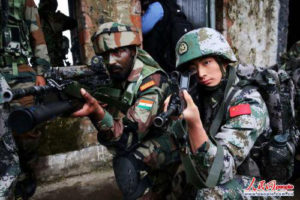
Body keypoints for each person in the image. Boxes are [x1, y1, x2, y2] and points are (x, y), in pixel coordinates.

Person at [72, 22, 179, 199]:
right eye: (105, 55)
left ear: (132, 50)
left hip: (176, 141)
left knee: (126, 162)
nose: (110, 61)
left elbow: (127, 138)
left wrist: (97, 112)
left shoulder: (151, 82)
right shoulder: (119, 73)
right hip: (151, 135)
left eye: (117, 52)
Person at [166, 27, 270, 199]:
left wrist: (194, 123)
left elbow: (219, 172)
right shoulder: (199, 92)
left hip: (261, 182)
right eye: (193, 68)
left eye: (207, 62)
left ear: (224, 61)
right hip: (221, 166)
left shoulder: (247, 100)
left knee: (209, 195)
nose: (201, 73)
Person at [0, 0, 50, 199]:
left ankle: (25, 173)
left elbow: (37, 34)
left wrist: (41, 71)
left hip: (19, 72)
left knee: (27, 128)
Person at [141, 0, 193, 73]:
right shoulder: (174, 7)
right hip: (171, 63)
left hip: (157, 62)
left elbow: (141, 29)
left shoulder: (157, 7)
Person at [38, 0, 76, 67]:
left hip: (46, 57)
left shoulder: (36, 17)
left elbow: (73, 23)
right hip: (52, 57)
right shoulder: (57, 18)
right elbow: (73, 23)